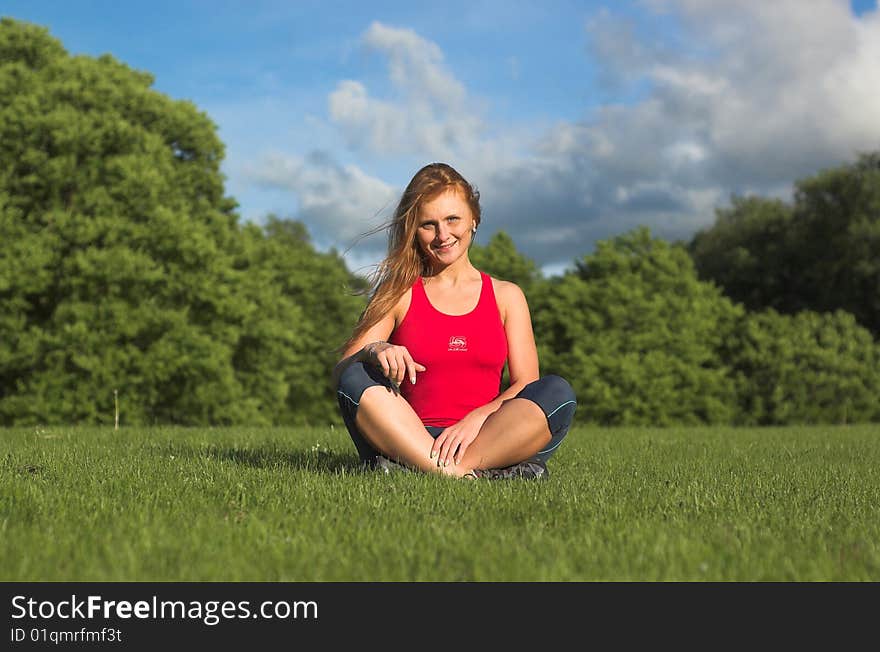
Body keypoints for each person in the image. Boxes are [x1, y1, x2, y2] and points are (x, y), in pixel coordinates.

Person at [332, 162, 576, 479]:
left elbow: (525, 384)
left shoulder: (507, 296)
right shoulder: (399, 292)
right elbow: (341, 374)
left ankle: (434, 471)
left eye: (452, 219)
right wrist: (375, 349)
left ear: (474, 220)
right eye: (428, 224)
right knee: (354, 372)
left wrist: (476, 419)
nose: (443, 235)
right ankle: (466, 473)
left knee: (556, 391)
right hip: (411, 440)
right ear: (413, 231)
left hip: (484, 436)